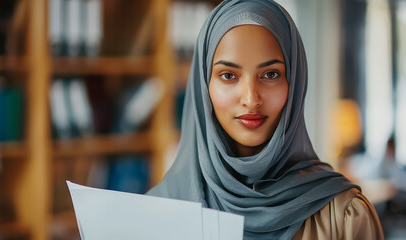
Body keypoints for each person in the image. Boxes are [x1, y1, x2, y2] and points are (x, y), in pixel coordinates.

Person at [147, 0, 384, 239]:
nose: (251, 99)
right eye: (228, 75)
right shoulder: (156, 214)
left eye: (270, 74)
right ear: (203, 87)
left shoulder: (345, 217)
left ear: (295, 83)